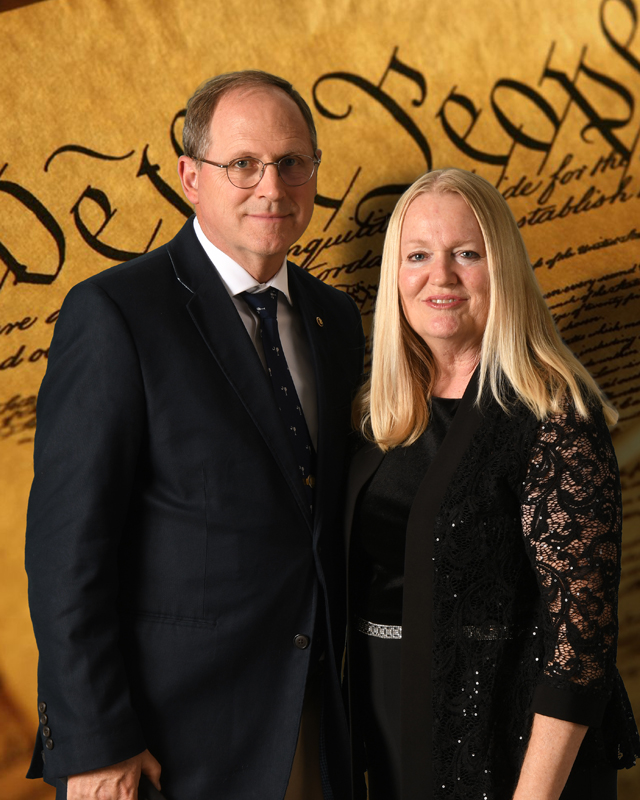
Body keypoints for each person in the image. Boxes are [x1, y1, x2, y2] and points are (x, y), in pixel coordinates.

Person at [25, 70, 365, 800]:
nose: (272, 187)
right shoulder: (116, 314)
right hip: (163, 746)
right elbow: (66, 553)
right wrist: (95, 744)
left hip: (310, 725)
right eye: (242, 164)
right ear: (190, 178)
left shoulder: (336, 321)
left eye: (292, 163)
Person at [345, 168, 640, 800]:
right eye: (417, 256)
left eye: (466, 254)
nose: (440, 276)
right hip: (388, 732)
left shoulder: (555, 414)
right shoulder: (380, 413)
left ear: (501, 267)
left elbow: (580, 647)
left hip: (505, 751)